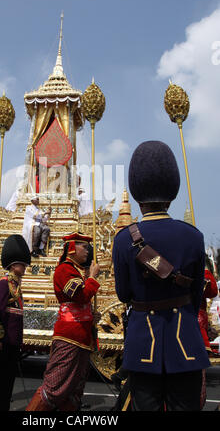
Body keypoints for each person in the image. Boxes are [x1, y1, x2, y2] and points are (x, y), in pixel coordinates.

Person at [112, 140, 210, 411]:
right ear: (172, 191)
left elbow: (123, 294)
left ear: (136, 193)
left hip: (144, 342)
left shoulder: (123, 240)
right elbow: (196, 292)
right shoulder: (193, 236)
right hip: (186, 339)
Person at [26, 232, 100, 411]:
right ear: (72, 248)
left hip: (81, 337)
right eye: (84, 246)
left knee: (75, 390)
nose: (87, 250)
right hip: (69, 336)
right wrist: (92, 278)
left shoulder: (76, 271)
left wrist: (90, 315)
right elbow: (80, 295)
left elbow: (80, 302)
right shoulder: (64, 270)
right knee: (54, 387)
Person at [0, 234, 31, 411]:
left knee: (7, 383)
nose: (26, 267)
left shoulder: (17, 286)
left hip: (13, 341)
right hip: (4, 342)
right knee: (2, 383)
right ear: (14, 265)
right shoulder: (4, 284)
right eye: (23, 264)